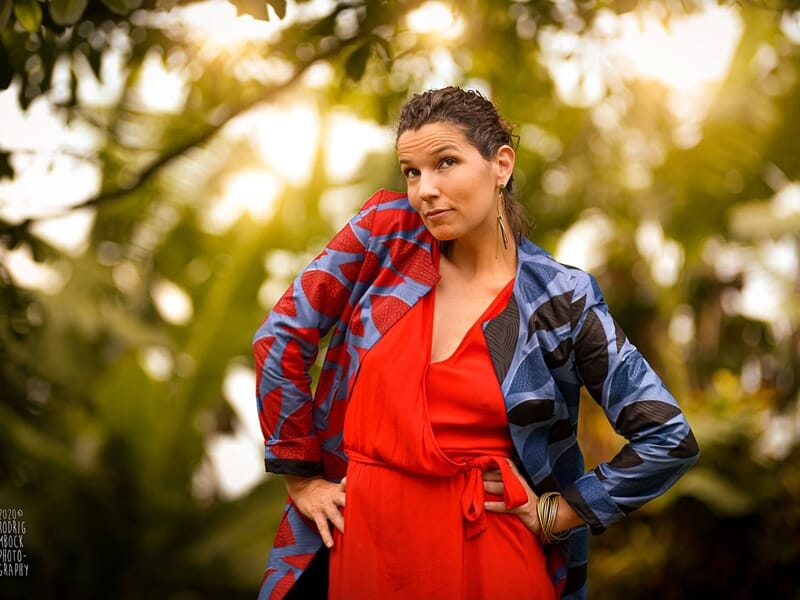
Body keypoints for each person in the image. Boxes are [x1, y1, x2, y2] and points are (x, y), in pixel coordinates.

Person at [253, 86, 699, 600]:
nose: (424, 190)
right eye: (412, 171)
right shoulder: (386, 237)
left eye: (446, 163)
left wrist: (558, 512)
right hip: (367, 547)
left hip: (493, 554)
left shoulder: (560, 298)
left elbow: (666, 437)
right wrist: (301, 474)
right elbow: (281, 335)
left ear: (501, 164)